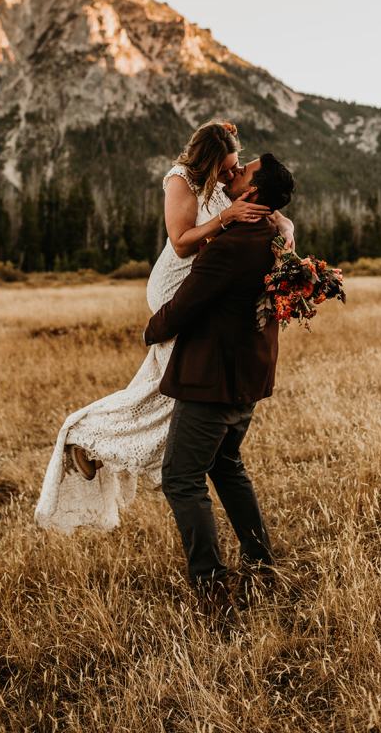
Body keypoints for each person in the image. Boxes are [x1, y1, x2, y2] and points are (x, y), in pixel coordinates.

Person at [34, 121, 294, 533]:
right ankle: (93, 440)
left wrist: (286, 226)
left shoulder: (234, 195)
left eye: (237, 167)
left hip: (201, 287)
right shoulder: (184, 182)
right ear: (208, 164)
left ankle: (100, 445)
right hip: (177, 283)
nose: (231, 174)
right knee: (173, 392)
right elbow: (180, 242)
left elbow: (269, 206)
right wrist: (226, 216)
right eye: (226, 169)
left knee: (167, 395)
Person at [144, 153, 295, 602]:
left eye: (242, 171)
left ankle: (211, 585)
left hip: (212, 382)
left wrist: (150, 330)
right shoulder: (271, 234)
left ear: (251, 193)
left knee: (181, 478)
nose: (233, 172)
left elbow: (186, 303)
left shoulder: (234, 245)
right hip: (246, 379)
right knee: (226, 465)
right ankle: (260, 560)